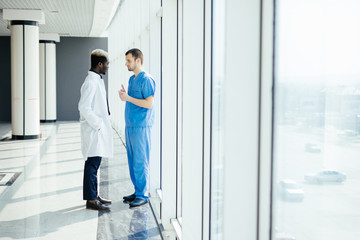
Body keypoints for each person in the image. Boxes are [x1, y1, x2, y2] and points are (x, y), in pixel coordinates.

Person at [118, 48, 155, 208]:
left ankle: (142, 194)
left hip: (141, 127)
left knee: (141, 160)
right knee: (132, 160)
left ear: (138, 60)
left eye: (128, 61)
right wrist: (125, 96)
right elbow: (132, 100)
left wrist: (128, 98)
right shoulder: (132, 79)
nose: (126, 64)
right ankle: (137, 190)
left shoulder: (146, 79)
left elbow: (149, 103)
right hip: (130, 125)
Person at [78, 49, 113, 211]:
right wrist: (98, 124)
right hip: (94, 130)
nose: (108, 66)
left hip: (97, 130)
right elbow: (84, 107)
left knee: (94, 165)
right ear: (100, 64)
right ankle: (91, 200)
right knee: (92, 165)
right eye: (106, 64)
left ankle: (94, 195)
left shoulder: (97, 80)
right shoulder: (91, 82)